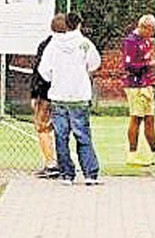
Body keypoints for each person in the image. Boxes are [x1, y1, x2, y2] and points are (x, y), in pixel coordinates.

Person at [38, 12, 101, 185]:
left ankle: (67, 174)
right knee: (83, 135)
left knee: (61, 136)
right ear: (78, 25)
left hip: (59, 97)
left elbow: (44, 71)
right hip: (79, 96)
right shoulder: (85, 44)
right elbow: (95, 64)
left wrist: (56, 79)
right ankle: (90, 174)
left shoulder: (52, 45)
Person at [29, 14, 66, 178]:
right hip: (69, 93)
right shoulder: (75, 45)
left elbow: (38, 71)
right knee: (63, 128)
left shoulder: (45, 45)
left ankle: (51, 164)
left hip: (46, 93)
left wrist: (34, 94)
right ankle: (65, 163)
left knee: (42, 127)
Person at [121, 14, 155, 165]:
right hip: (134, 85)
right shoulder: (130, 41)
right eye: (150, 31)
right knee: (136, 118)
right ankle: (132, 154)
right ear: (143, 27)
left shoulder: (147, 41)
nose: (152, 34)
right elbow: (129, 66)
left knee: (150, 119)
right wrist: (149, 65)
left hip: (146, 84)